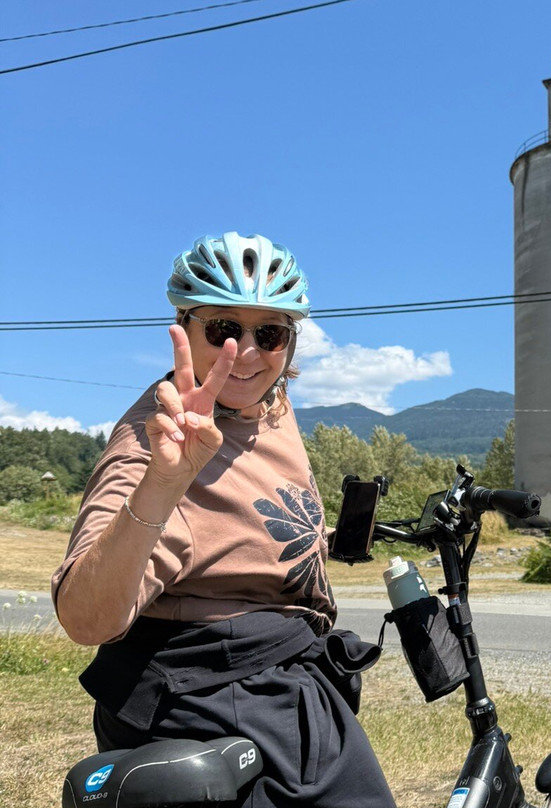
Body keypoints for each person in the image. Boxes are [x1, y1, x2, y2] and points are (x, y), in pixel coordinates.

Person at [52, 232, 396, 808]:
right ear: (183, 328)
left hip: (286, 675)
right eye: (223, 329)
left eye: (270, 332)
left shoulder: (271, 403)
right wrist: (166, 480)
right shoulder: (152, 443)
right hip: (218, 692)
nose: (247, 352)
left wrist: (329, 538)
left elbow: (237, 524)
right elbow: (85, 617)